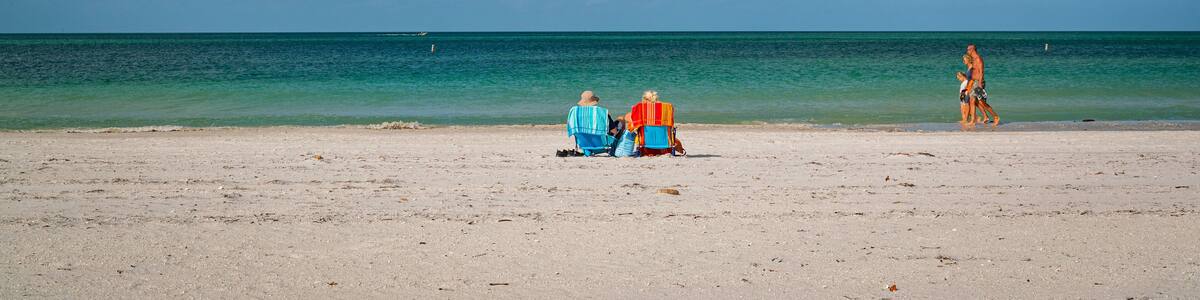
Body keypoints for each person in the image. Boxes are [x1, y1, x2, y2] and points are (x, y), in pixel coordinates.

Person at [625, 90, 686, 156]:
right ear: (656, 98)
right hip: (665, 145)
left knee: (635, 125)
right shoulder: (667, 108)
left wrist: (634, 113)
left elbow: (628, 119)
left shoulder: (640, 108)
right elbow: (671, 124)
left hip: (645, 144)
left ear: (644, 99)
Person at [964, 44, 999, 126]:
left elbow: (981, 72)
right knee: (972, 101)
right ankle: (973, 120)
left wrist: (980, 84)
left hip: (979, 82)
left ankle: (996, 116)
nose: (967, 51)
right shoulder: (972, 59)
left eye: (968, 50)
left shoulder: (978, 59)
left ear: (972, 49)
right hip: (974, 82)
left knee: (982, 102)